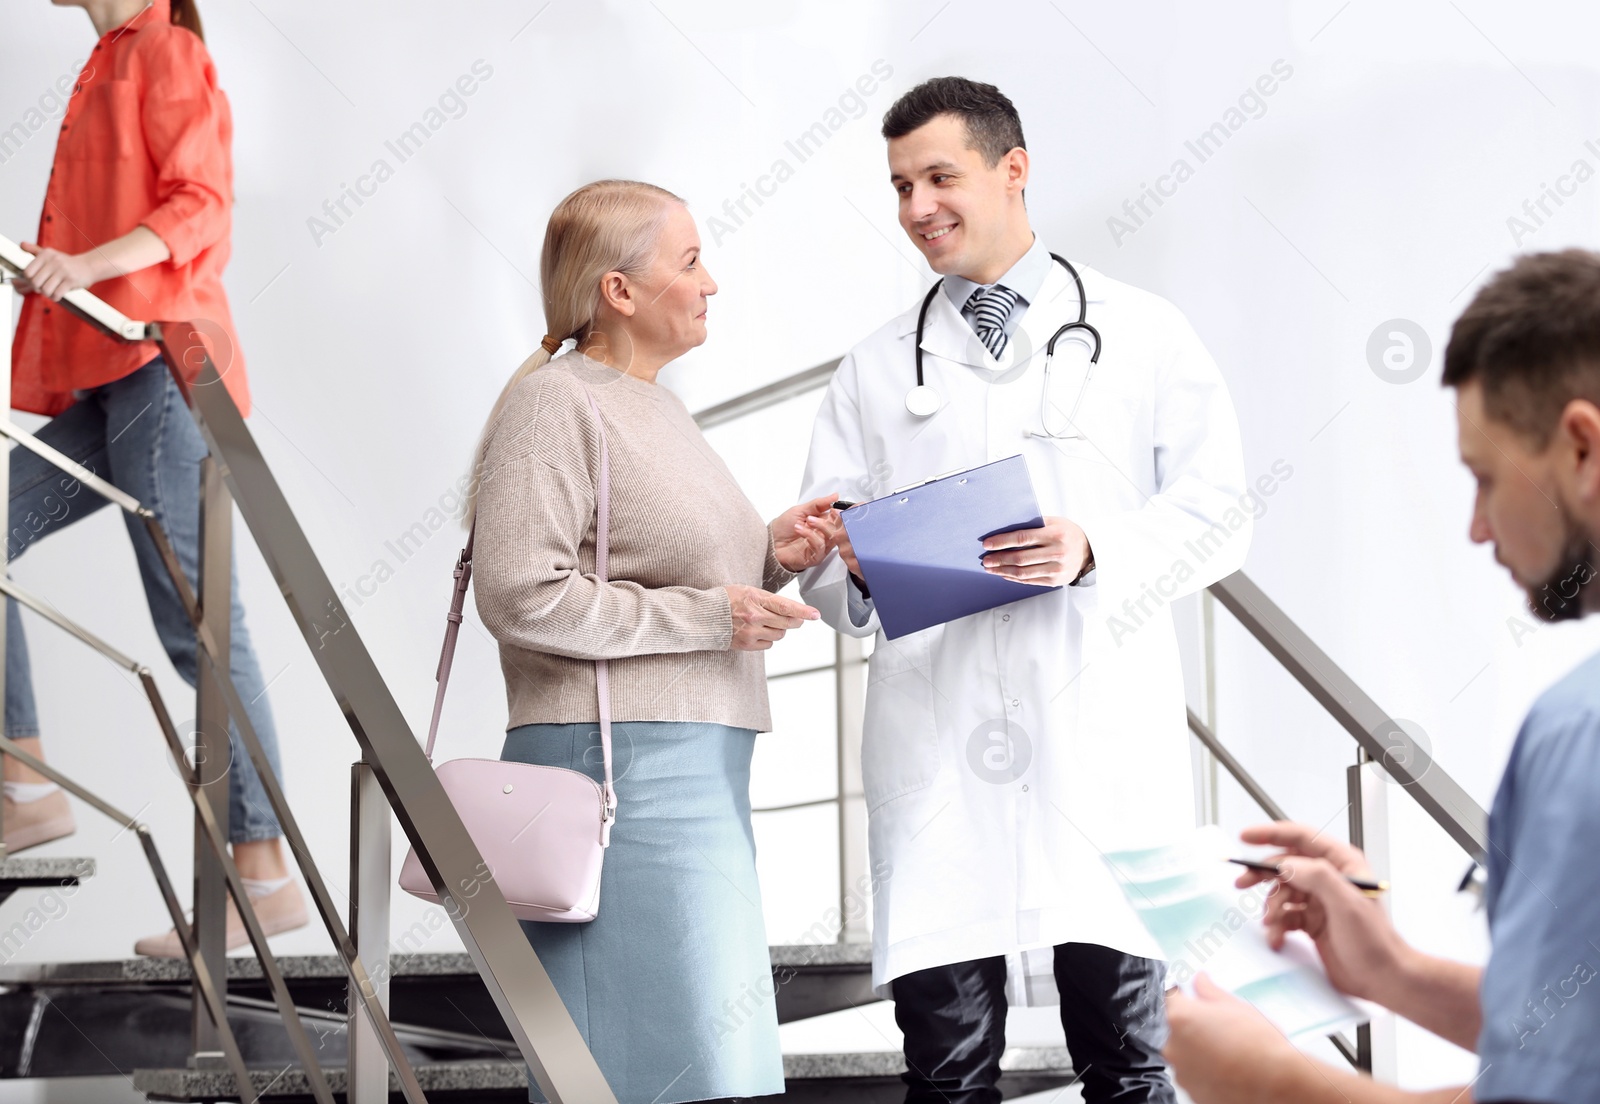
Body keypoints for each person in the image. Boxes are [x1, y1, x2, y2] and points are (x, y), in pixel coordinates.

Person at [797, 77, 1252, 1103]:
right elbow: (823, 560)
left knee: (1130, 1068)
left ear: (1013, 170)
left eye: (939, 177)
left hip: (1095, 740)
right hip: (936, 741)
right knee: (949, 1075)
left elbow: (1224, 510)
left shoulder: (1140, 331)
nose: (918, 208)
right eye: (901, 185)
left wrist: (1096, 548)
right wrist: (851, 563)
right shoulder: (872, 369)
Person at [1163, 249, 1600, 1104]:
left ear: (1581, 447)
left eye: (1483, 477)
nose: (1476, 528)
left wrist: (1262, 1081)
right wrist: (1393, 970)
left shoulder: (1579, 734)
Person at [469, 178, 837, 1104]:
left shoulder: (657, 408)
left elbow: (666, 570)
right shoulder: (555, 405)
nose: (711, 282)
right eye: (690, 260)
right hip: (619, 779)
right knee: (667, 1073)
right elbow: (520, 593)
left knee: (720, 1070)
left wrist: (771, 555)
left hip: (697, 773)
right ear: (618, 291)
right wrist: (711, 615)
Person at [7, 0, 304, 955]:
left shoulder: (165, 50)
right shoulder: (106, 60)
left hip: (161, 373)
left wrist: (83, 266)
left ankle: (261, 873)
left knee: (201, 627)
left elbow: (200, 203)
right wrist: (60, 276)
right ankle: (26, 785)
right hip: (105, 377)